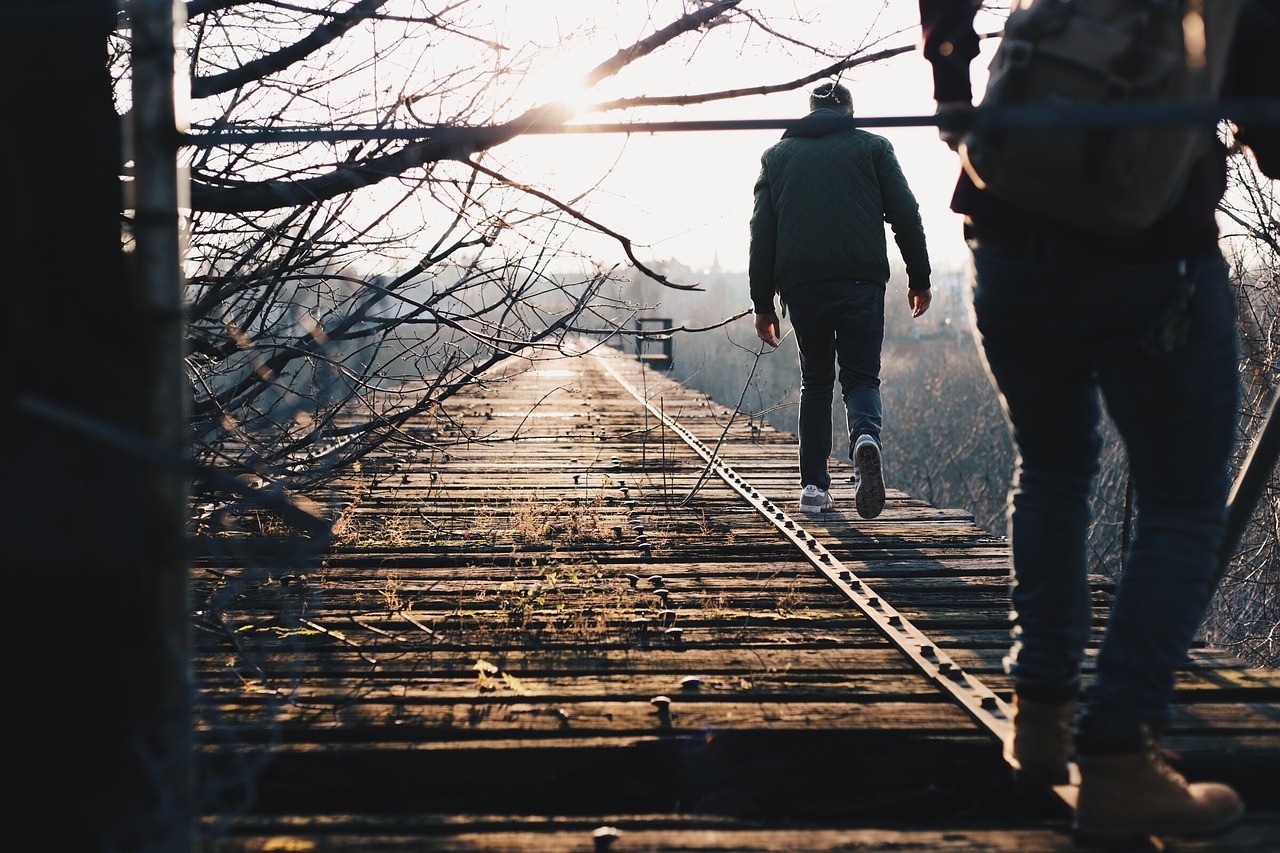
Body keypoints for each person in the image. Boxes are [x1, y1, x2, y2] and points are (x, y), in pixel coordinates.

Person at [919, 0, 1279, 841]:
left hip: (1000, 239)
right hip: (1147, 260)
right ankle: (1118, 755)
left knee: (1049, 468)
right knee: (1183, 510)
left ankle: (1039, 719)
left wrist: (950, 84)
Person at [749, 81, 932, 519]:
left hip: (803, 286)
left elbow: (762, 235)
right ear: (850, 110)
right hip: (860, 282)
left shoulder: (777, 157)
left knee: (816, 381)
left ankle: (813, 488)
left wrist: (762, 303)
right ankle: (865, 439)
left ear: (808, 112)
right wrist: (919, 277)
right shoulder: (873, 147)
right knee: (862, 377)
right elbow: (906, 212)